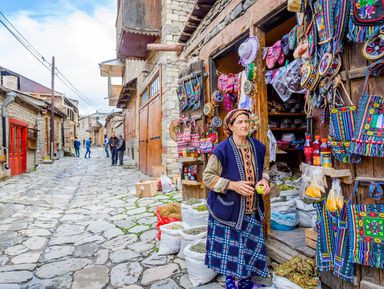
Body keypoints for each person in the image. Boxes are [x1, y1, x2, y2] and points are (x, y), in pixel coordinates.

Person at [202, 109, 271, 289]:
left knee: (249, 249)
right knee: (232, 252)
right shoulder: (222, 149)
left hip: (252, 209)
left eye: (246, 121)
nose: (244, 125)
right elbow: (208, 177)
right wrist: (233, 185)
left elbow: (265, 170)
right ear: (230, 126)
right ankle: (232, 285)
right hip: (228, 210)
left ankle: (246, 284)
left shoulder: (258, 146)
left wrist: (265, 179)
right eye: (240, 122)